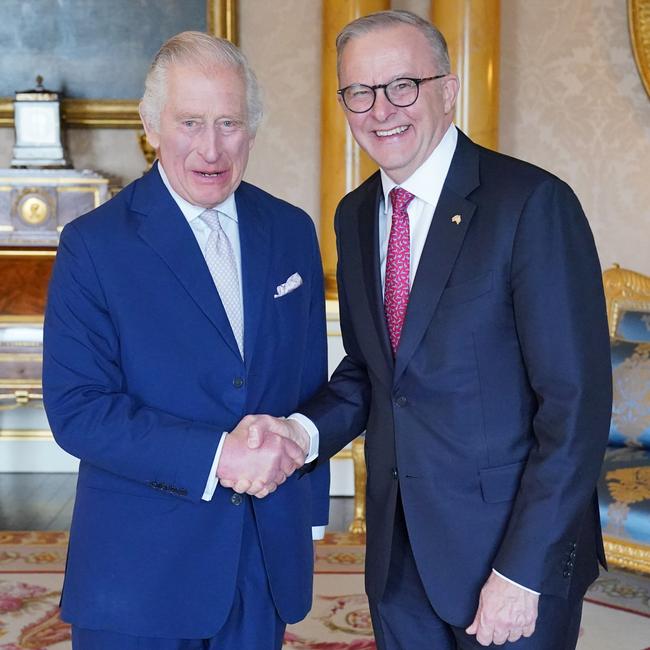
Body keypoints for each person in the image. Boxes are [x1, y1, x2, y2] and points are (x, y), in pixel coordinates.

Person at [243, 10, 612, 649]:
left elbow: (575, 407)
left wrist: (522, 573)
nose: (380, 109)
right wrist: (298, 435)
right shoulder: (355, 215)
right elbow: (371, 373)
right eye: (359, 91)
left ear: (447, 89)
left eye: (403, 85)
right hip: (398, 558)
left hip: (508, 557)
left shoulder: (529, 204)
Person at [42, 31, 329, 650]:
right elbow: (78, 410)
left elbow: (310, 386)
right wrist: (217, 456)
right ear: (151, 126)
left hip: (260, 556)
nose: (211, 147)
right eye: (190, 122)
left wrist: (303, 514)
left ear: (252, 128)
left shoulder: (291, 230)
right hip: (140, 569)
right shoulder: (93, 245)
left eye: (229, 122)